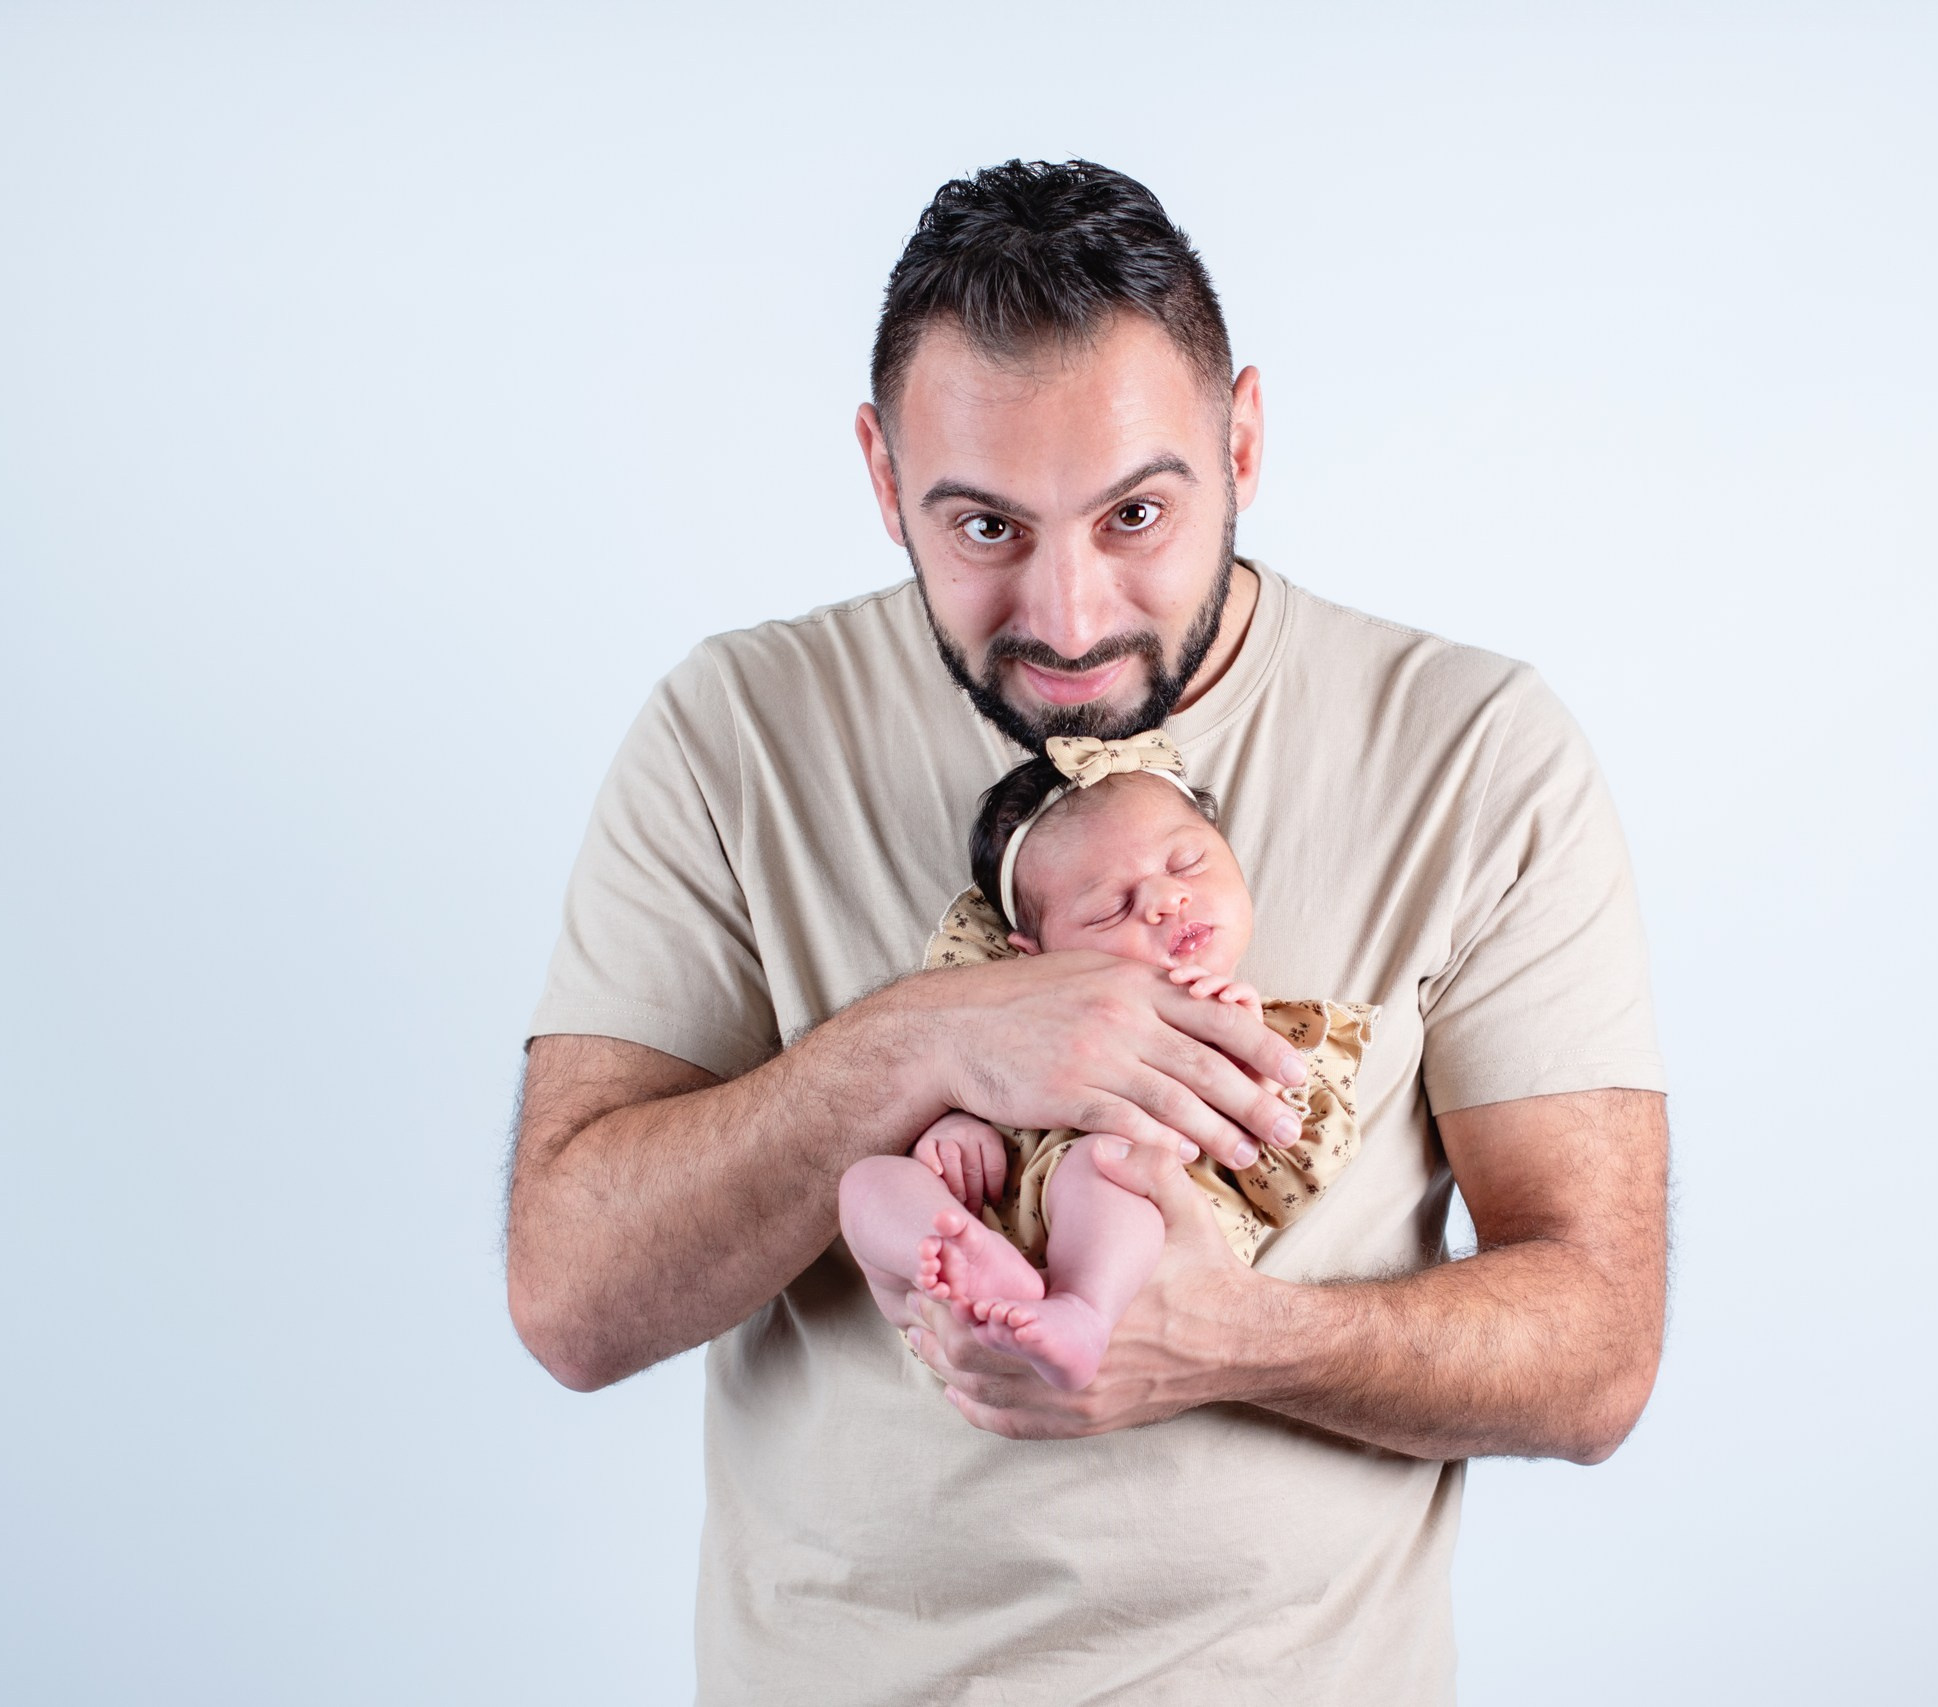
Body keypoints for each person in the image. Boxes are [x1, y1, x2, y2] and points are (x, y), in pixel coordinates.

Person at [507, 158, 1669, 1705]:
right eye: (983, 523)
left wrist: (1229, 1335)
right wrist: (922, 1039)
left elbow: (1598, 1350)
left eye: (1136, 513)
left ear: (1242, 435)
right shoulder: (737, 729)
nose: (1065, 613)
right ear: (879, 471)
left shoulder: (1474, 749)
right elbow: (570, 1295)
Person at [837, 732, 1377, 1393]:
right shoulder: (992, 1021)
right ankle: (962, 1260)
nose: (1162, 899)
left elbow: (1298, 1183)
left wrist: (1256, 1076)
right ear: (1035, 954)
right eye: (1110, 906)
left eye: (1186, 863)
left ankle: (1080, 1310)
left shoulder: (1277, 1035)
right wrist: (951, 1135)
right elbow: (945, 1089)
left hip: (1134, 1267)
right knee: (865, 1182)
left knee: (1107, 1160)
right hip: (990, 1241)